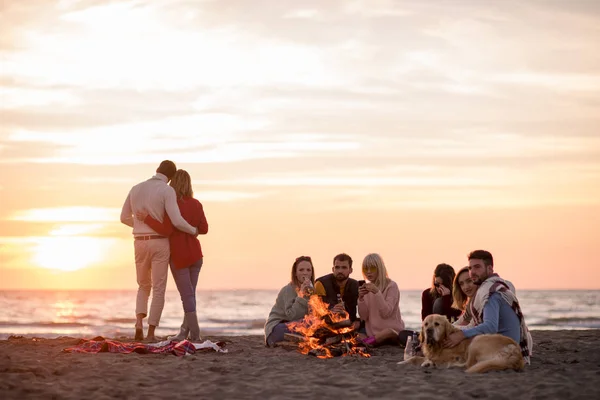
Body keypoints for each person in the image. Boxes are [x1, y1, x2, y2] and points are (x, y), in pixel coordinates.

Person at [120, 160, 199, 341]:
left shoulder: (135, 188)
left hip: (139, 241)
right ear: (170, 177)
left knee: (143, 285)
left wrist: (140, 224)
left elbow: (124, 217)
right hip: (159, 242)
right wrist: (193, 230)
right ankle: (150, 333)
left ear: (157, 170)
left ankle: (138, 323)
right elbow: (177, 221)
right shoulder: (167, 190)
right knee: (158, 288)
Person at [136, 169, 208, 342]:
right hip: (196, 255)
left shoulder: (172, 204)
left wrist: (147, 219)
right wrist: (193, 229)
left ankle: (195, 334)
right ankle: (185, 331)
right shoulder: (197, 203)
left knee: (187, 295)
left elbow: (166, 229)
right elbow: (204, 229)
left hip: (179, 256)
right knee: (190, 294)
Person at [444, 250, 533, 364]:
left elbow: (490, 327)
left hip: (503, 351)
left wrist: (461, 335)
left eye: (477, 267)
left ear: (490, 269)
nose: (472, 272)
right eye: (470, 268)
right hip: (506, 348)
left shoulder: (491, 293)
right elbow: (465, 321)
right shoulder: (489, 289)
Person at [357, 253, 412, 346]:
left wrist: (377, 293)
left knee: (388, 332)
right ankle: (369, 341)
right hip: (373, 334)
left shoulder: (391, 286)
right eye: (366, 269)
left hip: (393, 332)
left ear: (380, 268)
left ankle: (367, 343)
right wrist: (361, 299)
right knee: (356, 334)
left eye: (373, 268)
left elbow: (386, 313)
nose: (369, 272)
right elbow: (363, 317)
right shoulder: (366, 288)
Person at [264, 256, 315, 347]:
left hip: (297, 325)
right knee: (311, 324)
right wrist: (301, 295)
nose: (305, 273)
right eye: (301, 270)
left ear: (312, 272)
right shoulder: (288, 290)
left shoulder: (312, 289)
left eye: (308, 270)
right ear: (295, 273)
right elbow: (292, 316)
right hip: (276, 328)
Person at [313, 253, 360, 330]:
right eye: (337, 267)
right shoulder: (321, 284)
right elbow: (317, 311)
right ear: (333, 269)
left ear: (350, 270)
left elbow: (358, 312)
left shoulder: (355, 285)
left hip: (349, 326)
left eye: (344, 268)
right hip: (325, 326)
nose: (340, 271)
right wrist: (331, 311)